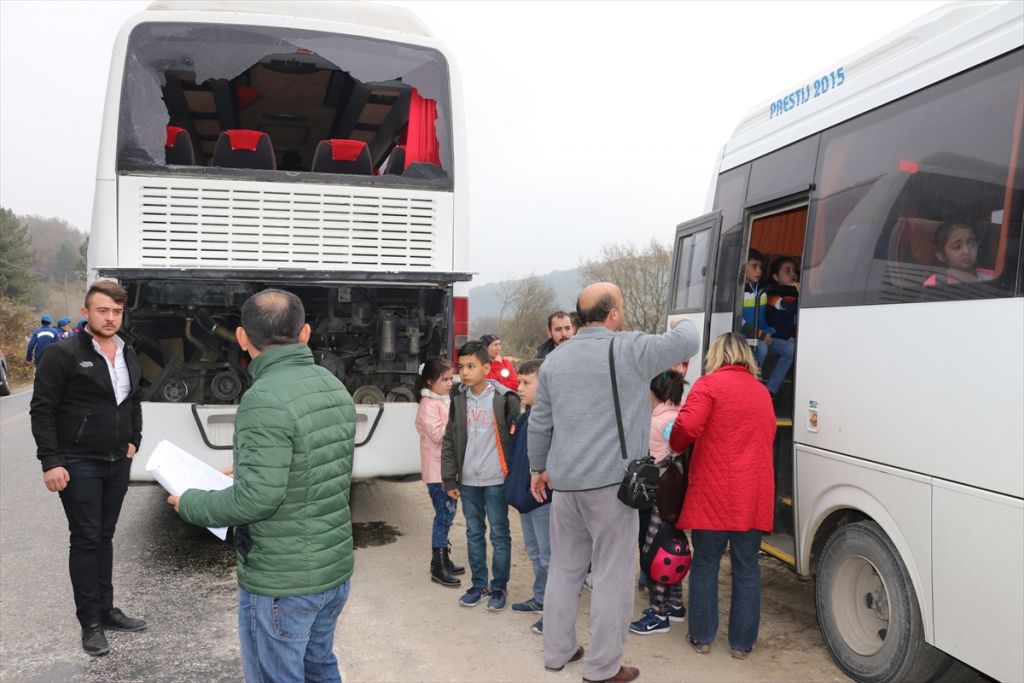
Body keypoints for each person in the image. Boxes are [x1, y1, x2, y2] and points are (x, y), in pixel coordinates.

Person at [168, 289, 356, 683]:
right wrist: (248, 470)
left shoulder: (264, 398)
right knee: (320, 667)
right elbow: (316, 463)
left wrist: (191, 503)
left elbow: (257, 501)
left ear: (241, 337)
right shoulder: (330, 384)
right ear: (305, 333)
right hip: (332, 571)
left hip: (283, 582)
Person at [528, 282, 699, 683]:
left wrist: (538, 468)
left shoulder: (554, 360)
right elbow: (689, 339)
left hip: (566, 485)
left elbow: (539, 423)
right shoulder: (630, 349)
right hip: (612, 487)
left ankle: (557, 651)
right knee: (611, 577)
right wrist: (684, 319)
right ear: (613, 313)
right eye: (621, 305)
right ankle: (603, 668)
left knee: (564, 570)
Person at [29, 281, 145, 656]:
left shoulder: (127, 350)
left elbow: (132, 399)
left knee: (104, 536)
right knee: (85, 538)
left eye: (116, 312)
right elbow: (42, 409)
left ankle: (106, 609)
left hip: (117, 460)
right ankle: (90, 623)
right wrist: (51, 460)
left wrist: (135, 439)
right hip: (79, 461)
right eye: (102, 311)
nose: (110, 318)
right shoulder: (62, 354)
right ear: (86, 313)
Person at [668, 332, 776, 660]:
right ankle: (742, 643)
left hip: (712, 491)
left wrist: (675, 444)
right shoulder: (761, 391)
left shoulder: (708, 385)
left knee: (705, 563)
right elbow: (770, 433)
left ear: (716, 355)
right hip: (751, 492)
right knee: (747, 566)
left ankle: (702, 636)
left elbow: (687, 427)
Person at [441, 340, 521, 611]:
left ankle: (499, 587)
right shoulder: (458, 400)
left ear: (486, 368)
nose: (464, 372)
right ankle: (479, 585)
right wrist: (450, 478)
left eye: (471, 366)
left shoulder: (504, 399)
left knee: (499, 534)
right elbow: (449, 440)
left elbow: (515, 440)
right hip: (468, 481)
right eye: (461, 367)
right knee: (474, 532)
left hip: (496, 479)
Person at [629, 366, 689, 636]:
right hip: (676, 496)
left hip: (659, 497)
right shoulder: (679, 415)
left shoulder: (657, 421)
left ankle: (658, 613)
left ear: (654, 393)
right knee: (672, 547)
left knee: (656, 553)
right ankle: (675, 605)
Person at [505, 359, 549, 635]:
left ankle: (554, 613)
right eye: (519, 382)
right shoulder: (525, 418)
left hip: (543, 501)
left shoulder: (551, 421)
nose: (519, 388)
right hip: (525, 498)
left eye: (526, 383)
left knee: (549, 556)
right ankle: (541, 597)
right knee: (534, 552)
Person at [415, 355, 465, 587]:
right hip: (437, 472)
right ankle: (438, 565)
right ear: (429, 381)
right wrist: (459, 422)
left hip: (447, 470)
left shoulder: (443, 400)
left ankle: (444, 559)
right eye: (444, 379)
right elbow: (438, 435)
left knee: (448, 514)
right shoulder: (428, 405)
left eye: (450, 378)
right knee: (444, 516)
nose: (449, 383)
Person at [742, 249, 793, 397]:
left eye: (761, 267)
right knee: (762, 347)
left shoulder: (763, 289)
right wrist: (761, 335)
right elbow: (740, 322)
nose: (759, 271)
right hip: (743, 340)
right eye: (754, 266)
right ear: (743, 267)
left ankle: (770, 390)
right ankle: (751, 388)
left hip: (762, 336)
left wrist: (792, 291)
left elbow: (780, 304)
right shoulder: (738, 291)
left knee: (790, 349)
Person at [923, 220, 995, 287]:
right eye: (957, 247)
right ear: (941, 255)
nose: (966, 251)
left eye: (972, 245)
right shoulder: (935, 283)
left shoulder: (992, 277)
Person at [765, 257, 799, 342]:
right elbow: (783, 305)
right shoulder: (769, 295)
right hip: (773, 339)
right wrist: (792, 293)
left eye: (795, 271)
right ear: (776, 277)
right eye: (787, 271)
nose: (793, 274)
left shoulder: (798, 296)